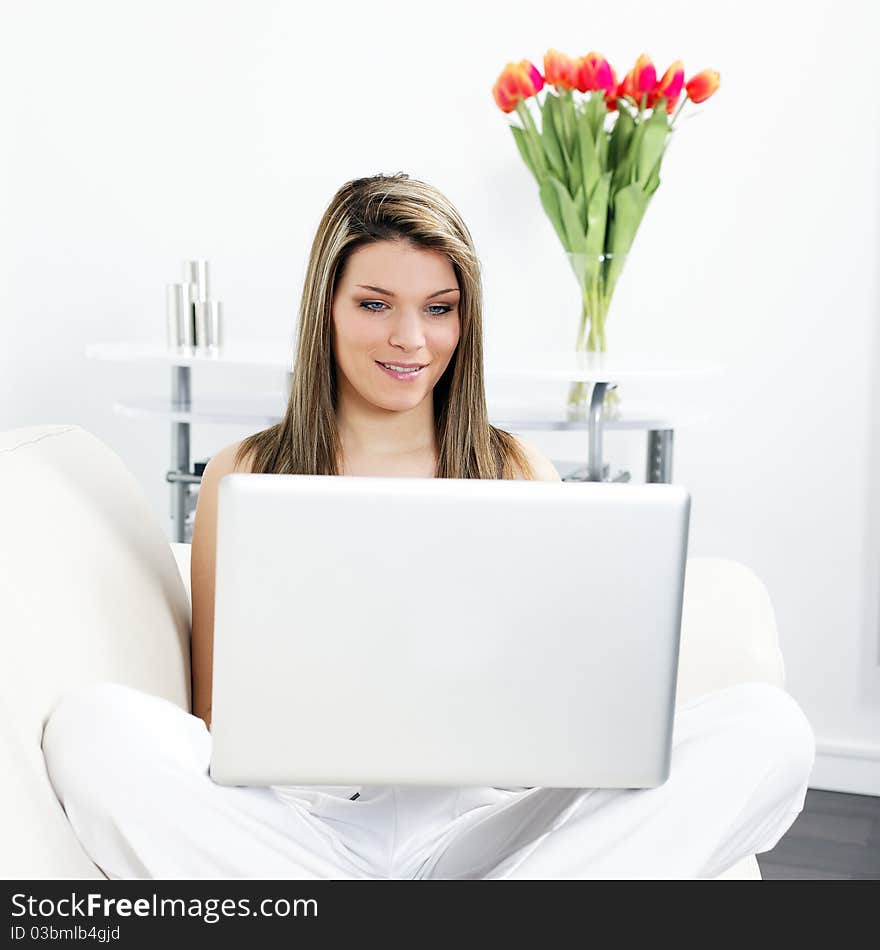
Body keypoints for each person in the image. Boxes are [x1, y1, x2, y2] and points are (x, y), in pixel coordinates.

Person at [41, 173, 816, 880]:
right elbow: (213, 724)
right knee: (91, 728)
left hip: (481, 830)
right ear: (328, 309)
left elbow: (555, 707)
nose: (410, 340)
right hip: (300, 830)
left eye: (438, 309)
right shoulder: (245, 471)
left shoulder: (516, 468)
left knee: (767, 727)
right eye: (375, 304)